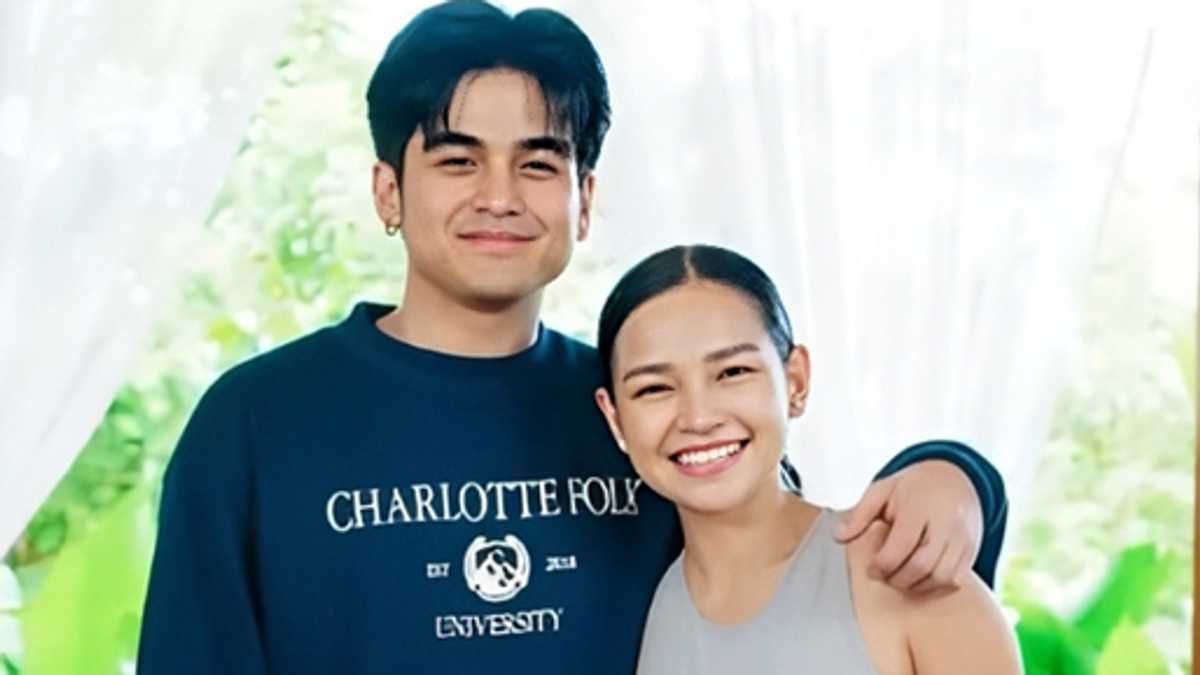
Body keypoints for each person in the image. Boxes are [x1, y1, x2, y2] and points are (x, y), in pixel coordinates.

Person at [137, 3, 1008, 673]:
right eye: (457, 159)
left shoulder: (645, 411)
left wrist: (957, 474)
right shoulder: (256, 422)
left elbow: (796, 554)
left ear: (583, 200)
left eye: (538, 162)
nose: (499, 195)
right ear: (387, 190)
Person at [594, 244, 1021, 674]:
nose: (699, 418)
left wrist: (952, 471)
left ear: (795, 381)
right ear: (615, 419)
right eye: (654, 388)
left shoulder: (912, 577)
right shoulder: (642, 610)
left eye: (733, 372)